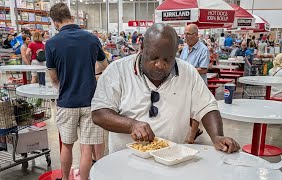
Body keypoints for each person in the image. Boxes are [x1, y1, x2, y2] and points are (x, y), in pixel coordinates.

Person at [91, 23, 240, 154]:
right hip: (125, 160)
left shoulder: (188, 73)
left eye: (167, 59)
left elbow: (207, 107)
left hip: (172, 158)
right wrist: (131, 125)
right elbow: (99, 113)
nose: (160, 65)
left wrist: (217, 136)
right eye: (154, 58)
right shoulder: (117, 71)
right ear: (142, 48)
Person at [45, 3, 108, 180]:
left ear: (55, 22)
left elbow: (54, 78)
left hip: (67, 102)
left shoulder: (51, 44)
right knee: (87, 147)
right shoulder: (91, 38)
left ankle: (65, 179)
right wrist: (93, 73)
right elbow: (104, 65)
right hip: (90, 101)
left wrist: (65, 86)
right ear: (70, 16)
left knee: (67, 145)